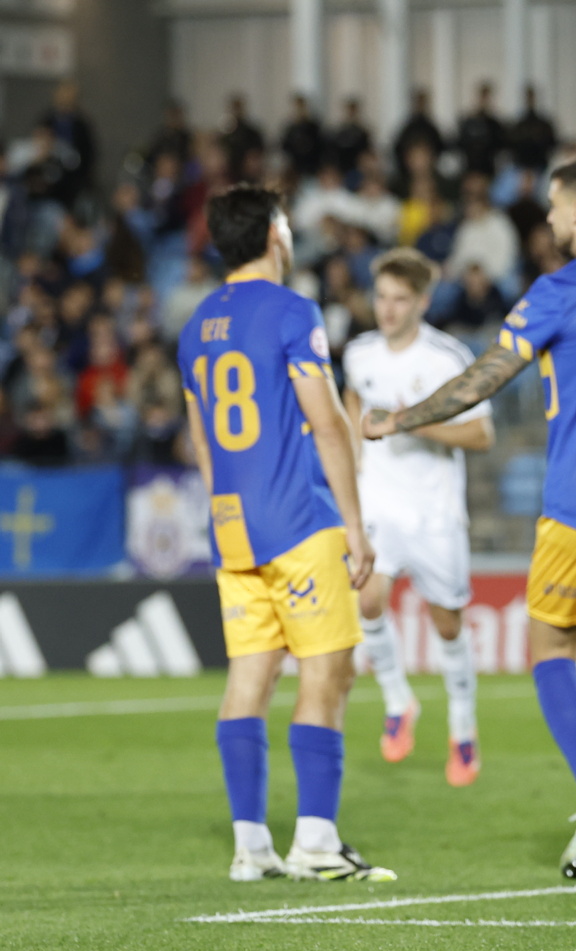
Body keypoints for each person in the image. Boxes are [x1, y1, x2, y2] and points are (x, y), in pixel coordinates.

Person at [362, 156, 576, 888]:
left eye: (552, 206)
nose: (547, 219)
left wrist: (401, 418)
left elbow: (485, 375)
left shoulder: (558, 289)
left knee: (549, 648)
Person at [177, 184, 392, 883]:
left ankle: (250, 847)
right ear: (275, 234)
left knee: (250, 677)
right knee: (329, 671)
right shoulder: (292, 311)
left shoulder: (194, 326)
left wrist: (225, 515)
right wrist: (354, 525)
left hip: (232, 527)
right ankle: (316, 842)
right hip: (297, 521)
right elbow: (327, 422)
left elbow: (202, 443)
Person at [342, 248, 493, 786]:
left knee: (447, 624)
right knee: (367, 599)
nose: (386, 308)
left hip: (434, 512)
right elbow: (353, 405)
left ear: (422, 302)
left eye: (399, 299)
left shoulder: (446, 359)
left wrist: (408, 423)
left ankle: (463, 726)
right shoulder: (359, 352)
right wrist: (353, 467)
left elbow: (481, 434)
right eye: (381, 296)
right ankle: (398, 700)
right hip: (378, 504)